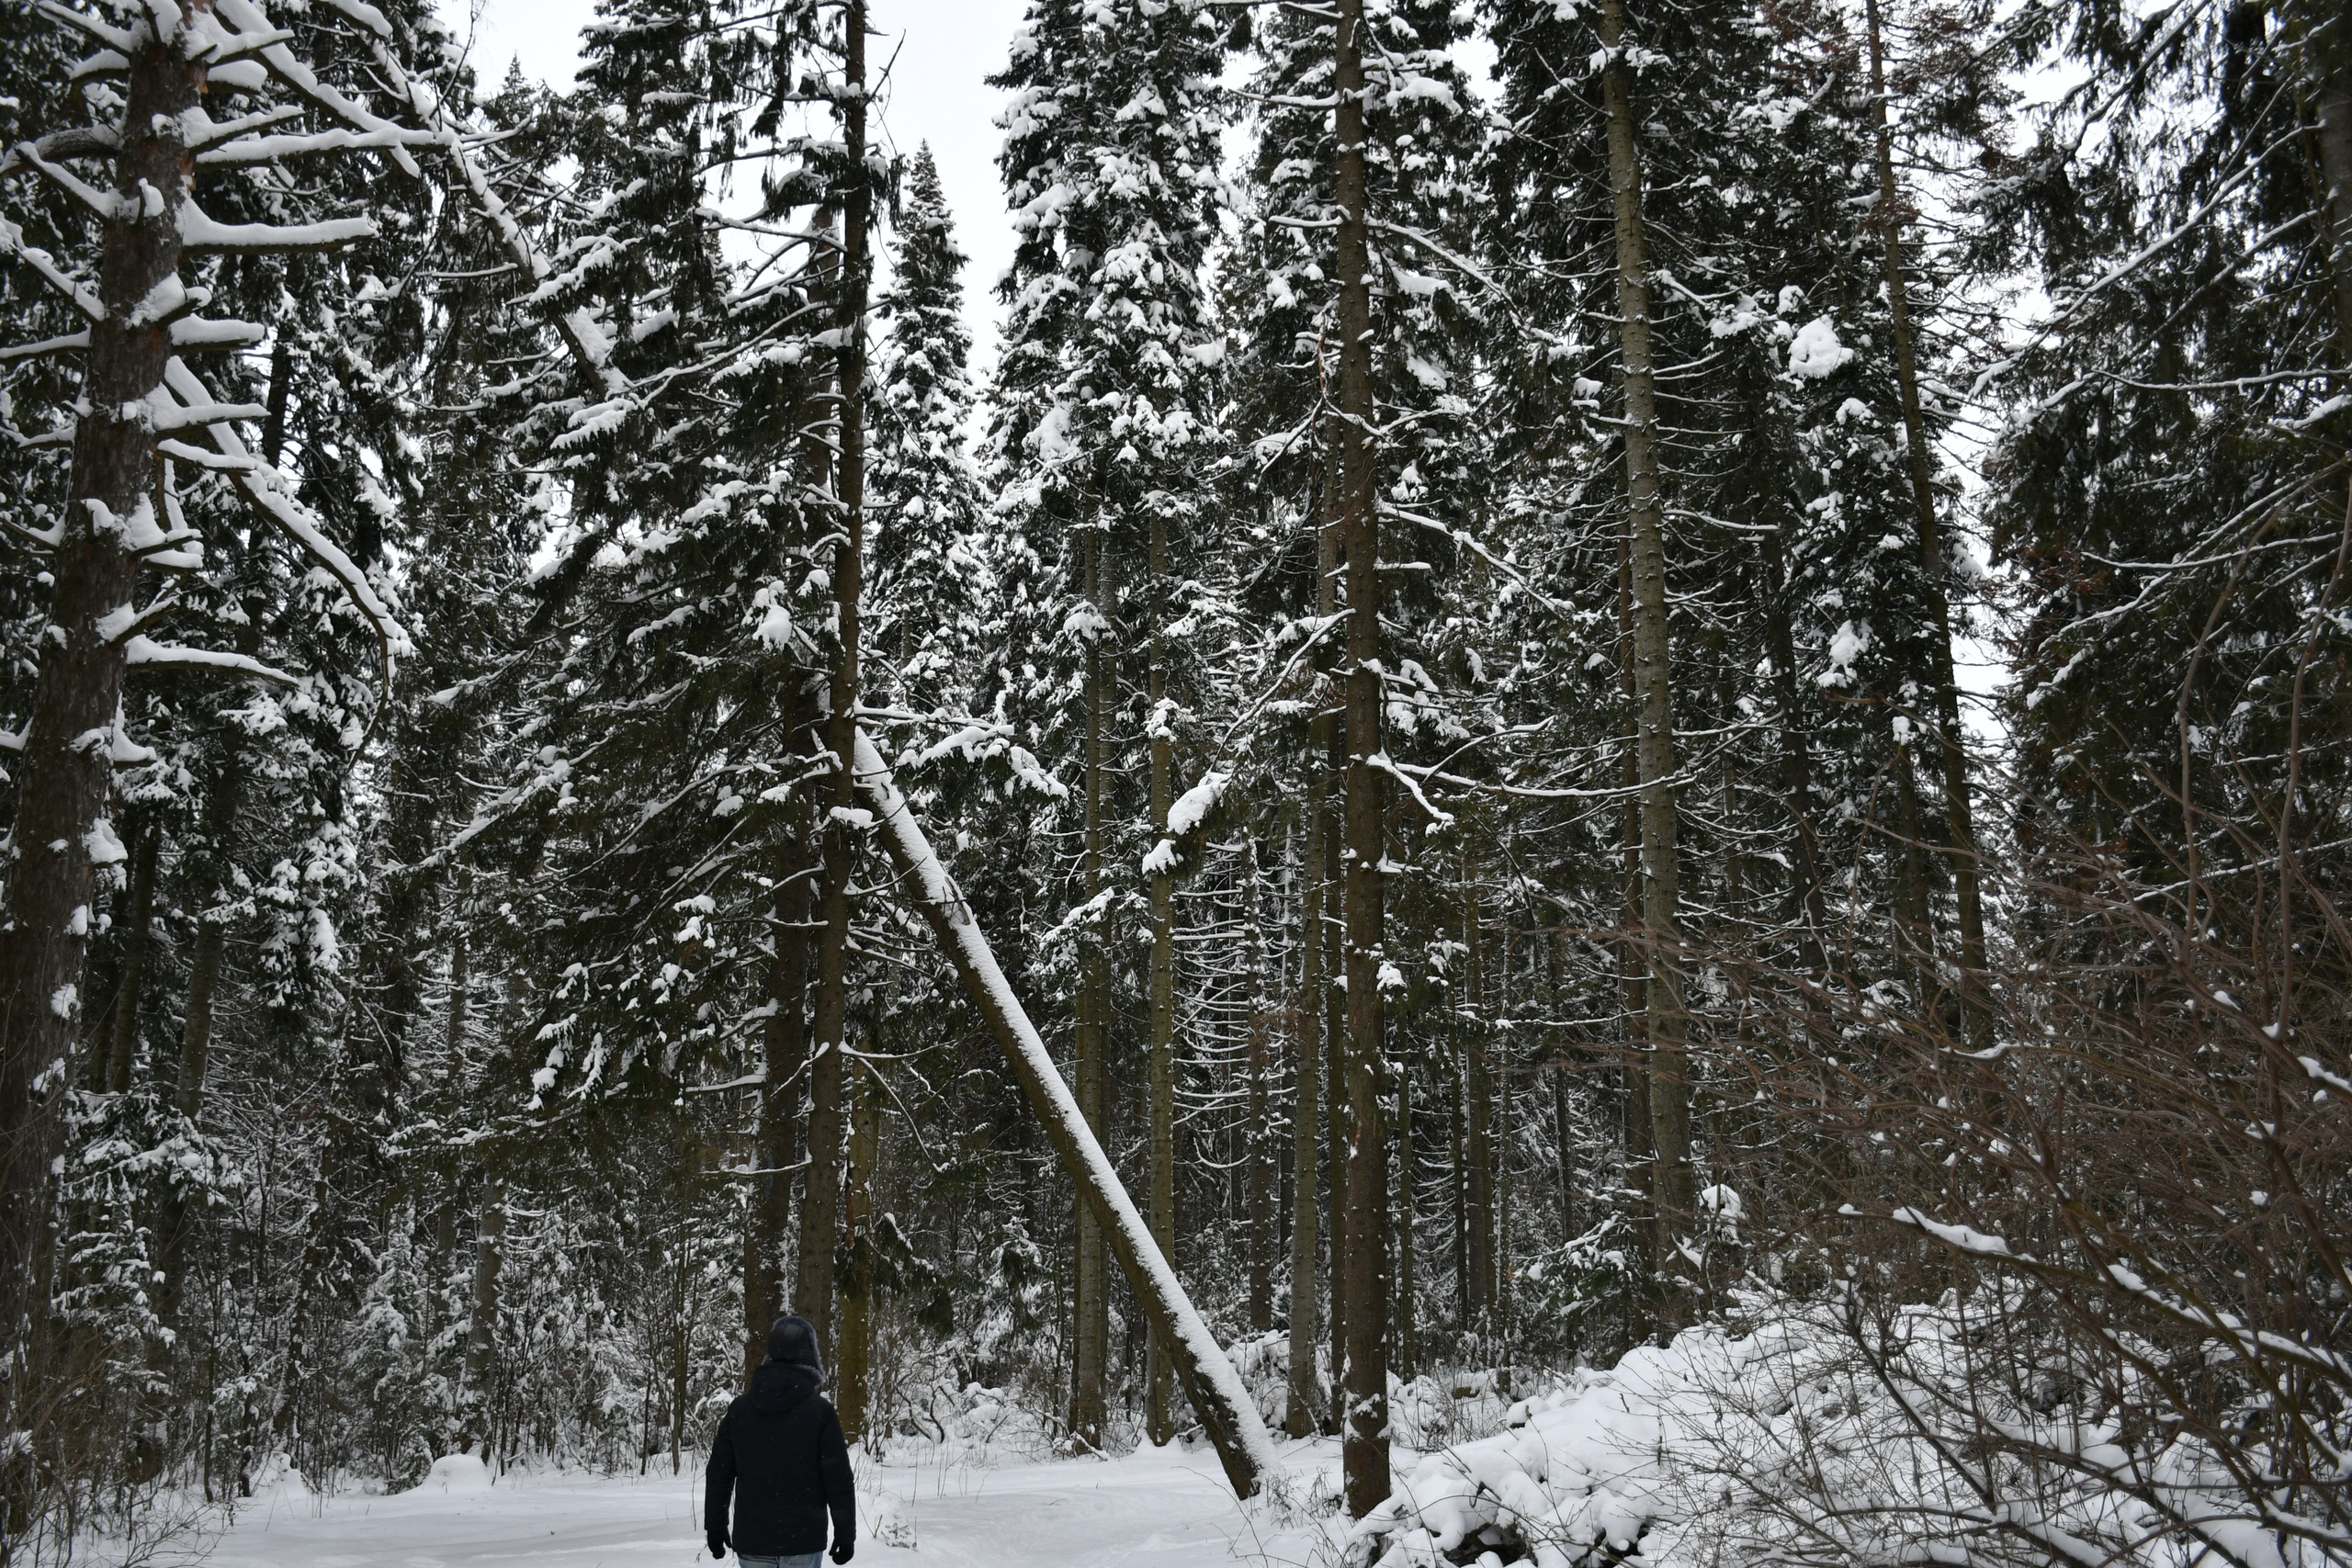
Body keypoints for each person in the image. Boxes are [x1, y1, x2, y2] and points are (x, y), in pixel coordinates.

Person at [706, 1314, 855, 1566]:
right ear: (809, 1356)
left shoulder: (740, 1410)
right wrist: (845, 1532)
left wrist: (715, 1525)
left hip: (754, 1539)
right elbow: (837, 1478)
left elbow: (719, 1474)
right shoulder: (819, 1412)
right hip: (803, 1541)